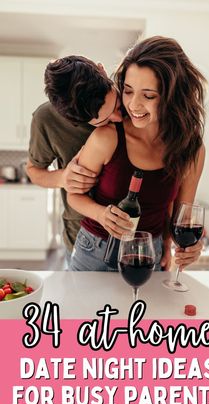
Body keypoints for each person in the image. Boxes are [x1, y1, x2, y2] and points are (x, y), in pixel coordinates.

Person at [67, 36, 206, 272]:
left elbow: (182, 215)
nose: (133, 105)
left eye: (149, 95)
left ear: (173, 96)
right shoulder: (107, 137)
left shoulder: (191, 149)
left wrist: (186, 245)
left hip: (147, 254)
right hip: (95, 253)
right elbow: (74, 196)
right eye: (128, 91)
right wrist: (101, 214)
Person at [26, 55, 122, 262]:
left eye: (116, 105)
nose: (119, 118)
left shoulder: (131, 96)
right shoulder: (46, 119)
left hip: (136, 233)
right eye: (103, 120)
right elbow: (33, 171)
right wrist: (63, 178)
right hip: (81, 235)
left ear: (102, 70)